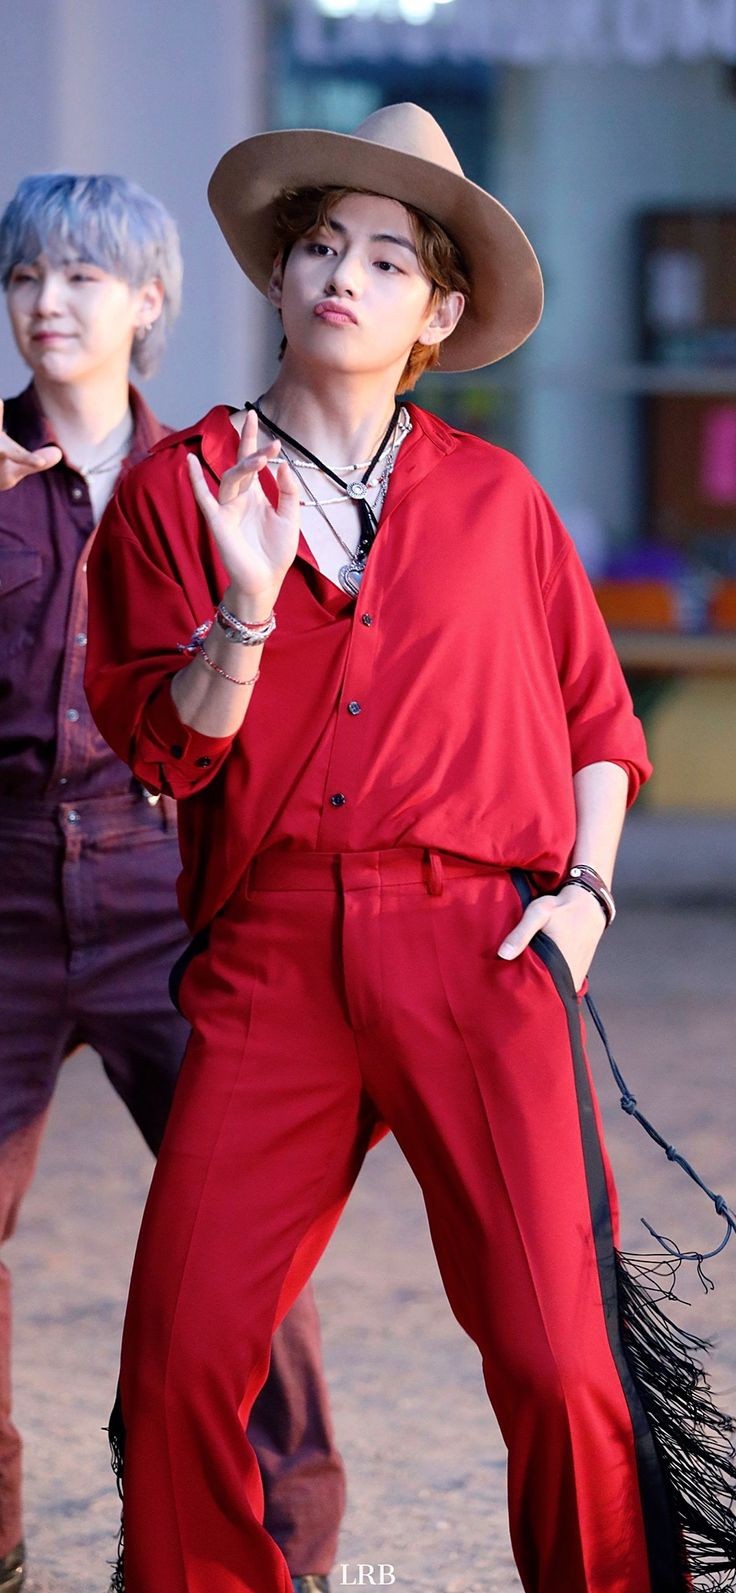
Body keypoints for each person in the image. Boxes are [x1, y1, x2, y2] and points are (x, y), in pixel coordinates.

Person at [85, 104, 734, 1593]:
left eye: (388, 259)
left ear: (437, 312)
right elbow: (168, 750)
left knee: (563, 1357)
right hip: (270, 954)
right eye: (321, 244)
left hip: (483, 944)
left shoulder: (499, 503)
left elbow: (600, 721)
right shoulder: (180, 490)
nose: (344, 276)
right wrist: (247, 610)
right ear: (276, 275)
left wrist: (586, 896)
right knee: (179, 1355)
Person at [0, 172, 345, 1593]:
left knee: (241, 1226)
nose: (47, 303)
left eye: (82, 275)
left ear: (148, 301)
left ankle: (290, 1539)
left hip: (161, 876)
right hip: (5, 887)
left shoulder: (213, 474)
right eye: (25, 277)